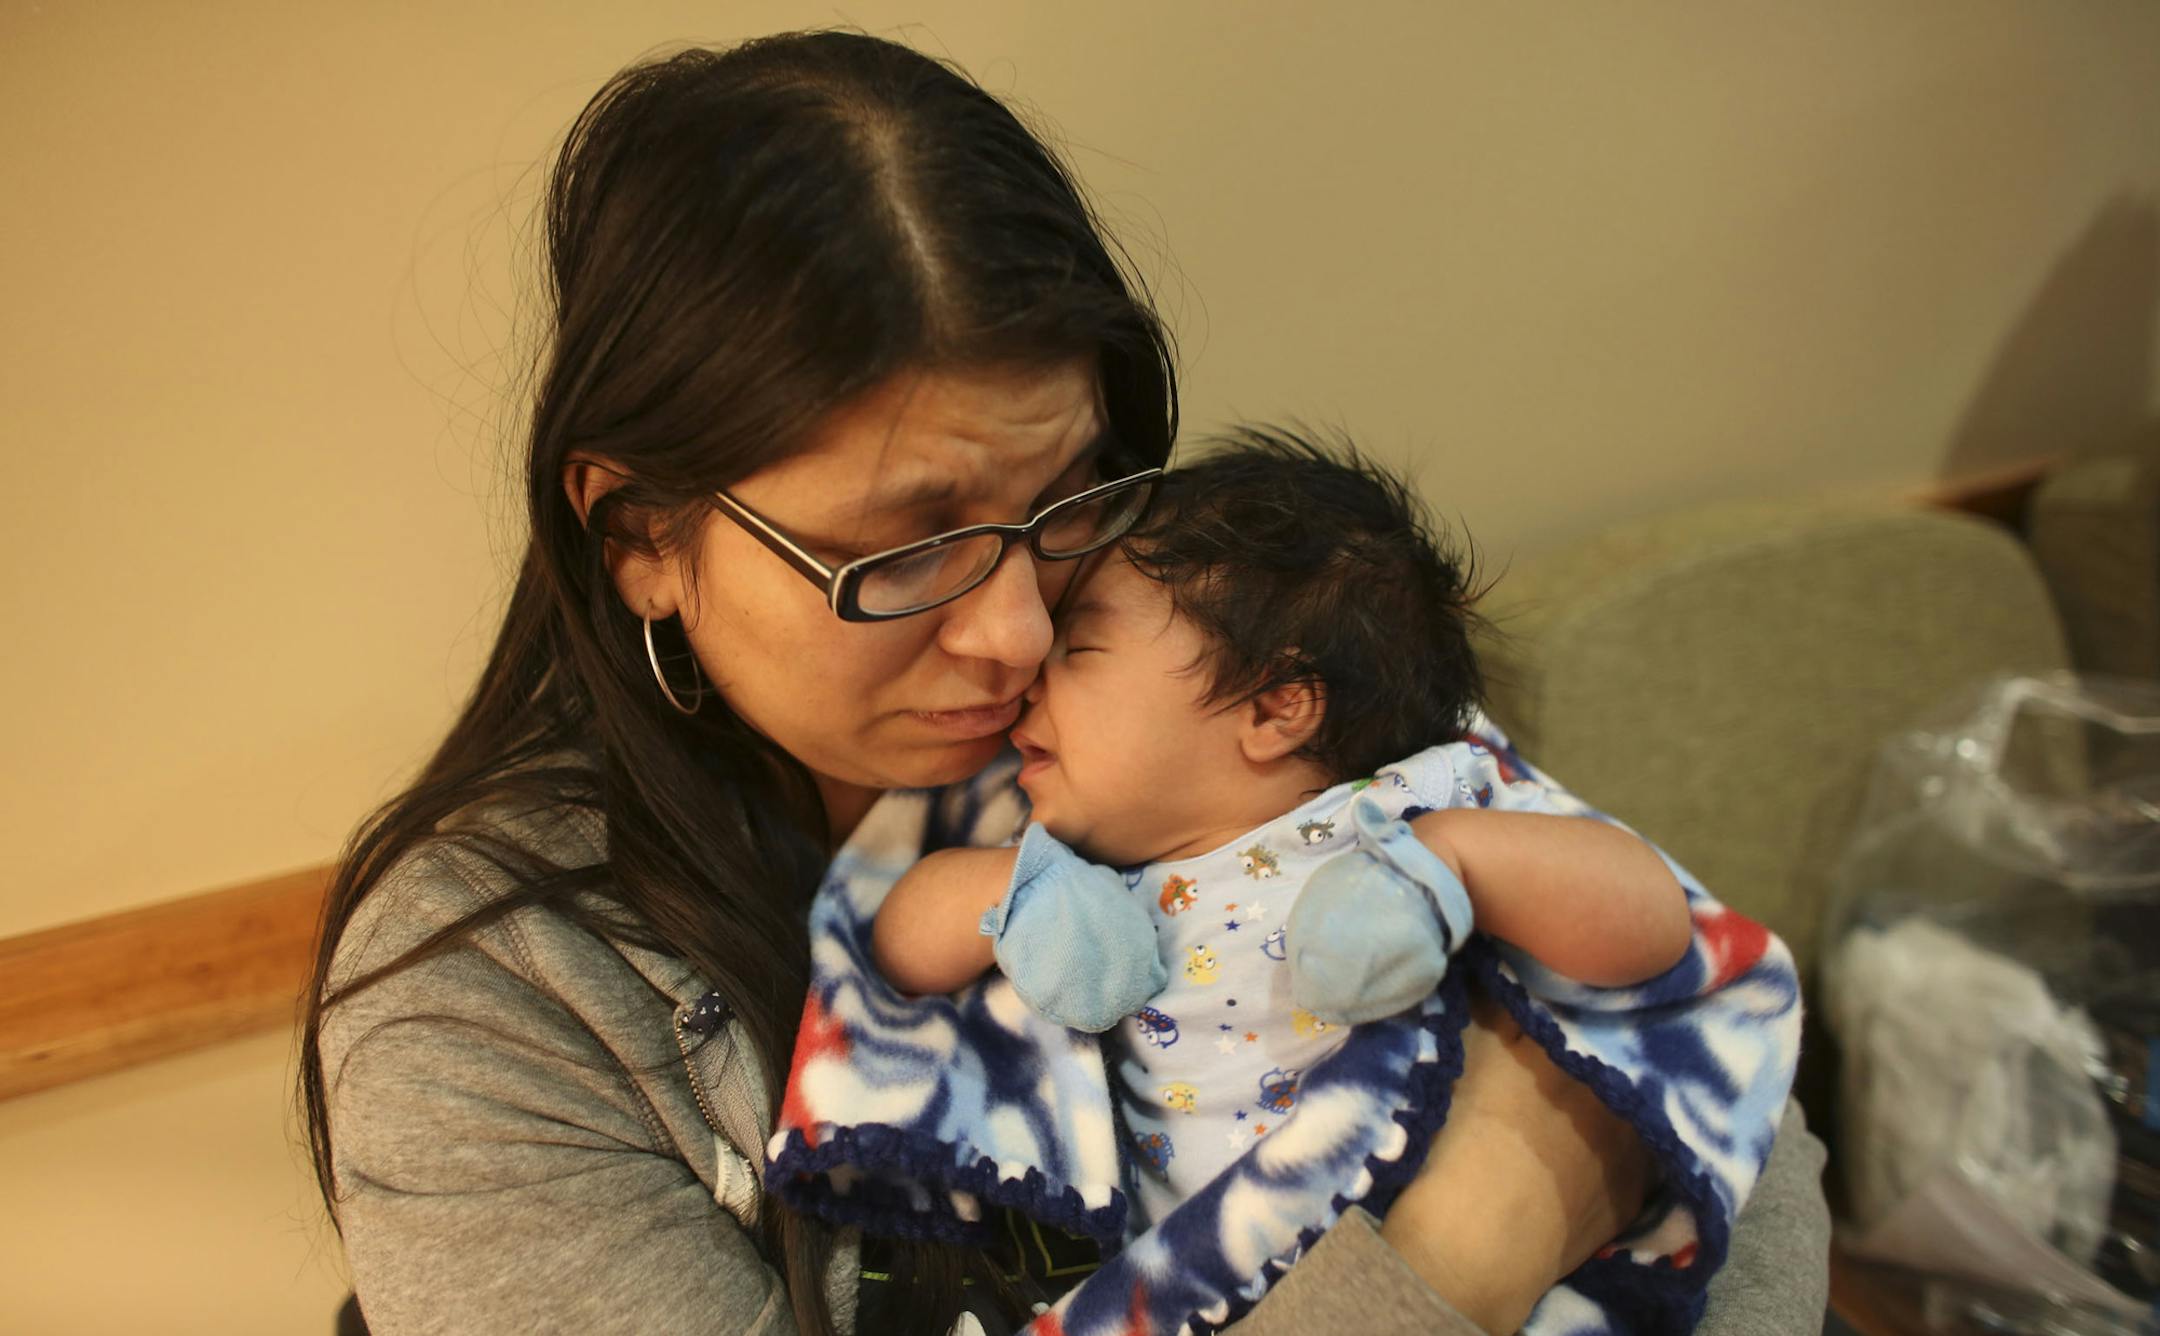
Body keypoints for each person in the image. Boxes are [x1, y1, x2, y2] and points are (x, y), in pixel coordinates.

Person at [300, 30, 1831, 1336]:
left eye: (1064, 496)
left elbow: (1725, 1066)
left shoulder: (1198, 657)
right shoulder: (488, 1009)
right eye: (899, 552)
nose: (1021, 634)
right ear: (641, 535)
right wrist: (1485, 1222)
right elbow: (1605, 1111)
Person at [868, 432, 1737, 1252]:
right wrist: (1007, 891)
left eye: (1079, 651)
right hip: (1217, 1275)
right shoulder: (1079, 860)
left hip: (1456, 1221)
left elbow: (1655, 930)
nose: (1026, 686)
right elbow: (897, 955)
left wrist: (1461, 863)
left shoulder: (1405, 811)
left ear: (1275, 709)